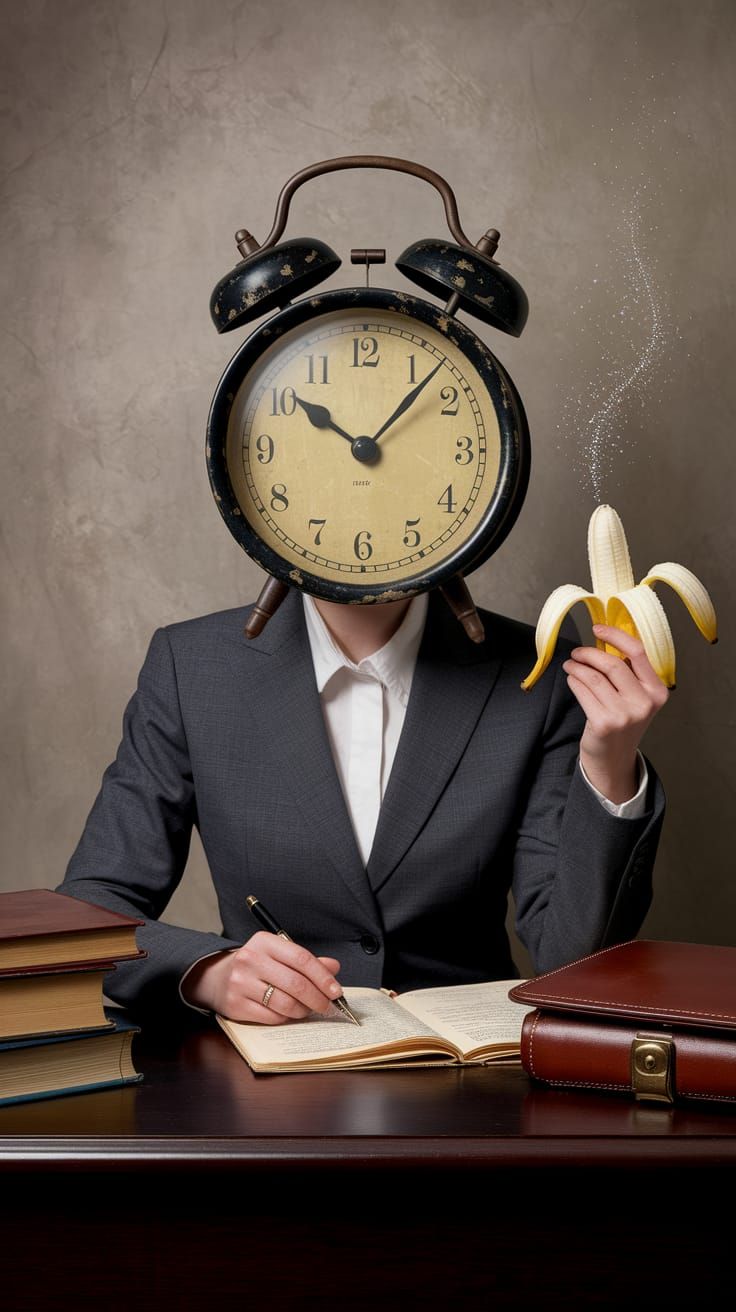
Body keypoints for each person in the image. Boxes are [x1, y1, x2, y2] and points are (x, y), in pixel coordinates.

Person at [58, 586, 667, 1026]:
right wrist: (209, 970)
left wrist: (610, 766)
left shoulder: (535, 671)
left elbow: (571, 962)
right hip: (259, 1085)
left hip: (473, 1091)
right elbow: (88, 916)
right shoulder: (191, 666)